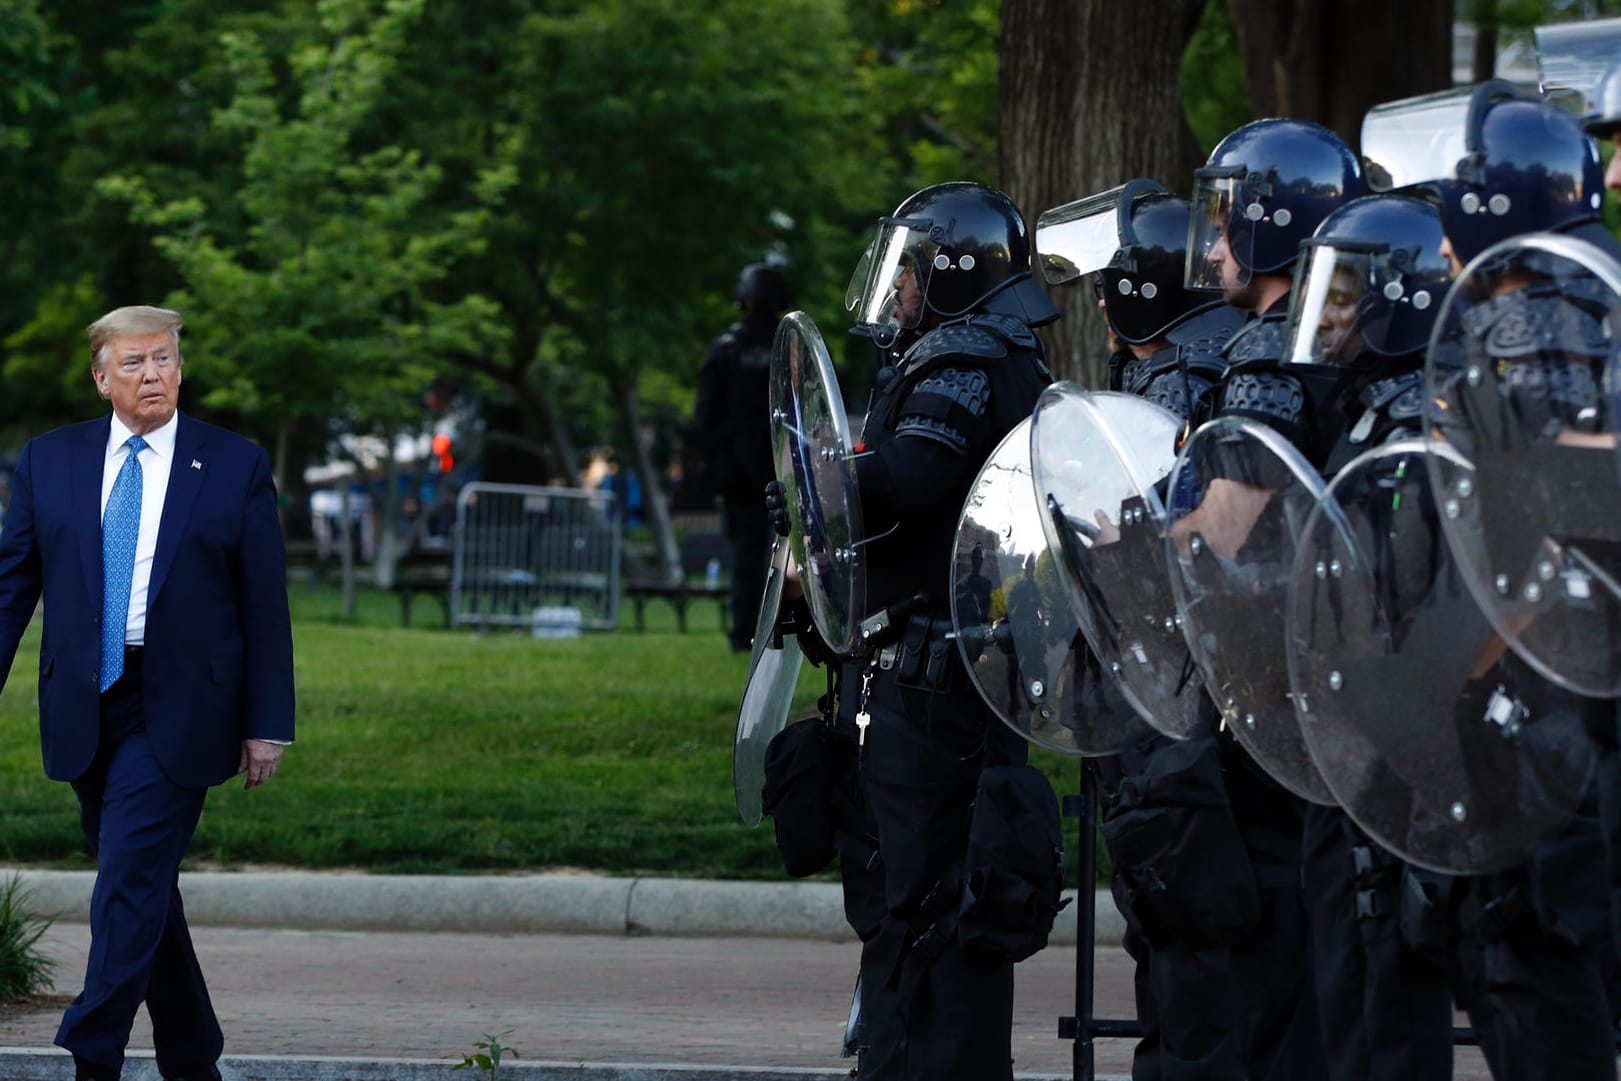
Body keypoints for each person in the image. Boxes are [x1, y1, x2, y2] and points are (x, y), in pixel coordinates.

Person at [1363, 79, 1621, 1081]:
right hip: (1571, 709)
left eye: (1448, 225)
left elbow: (1535, 530)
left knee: (1529, 985)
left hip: (1537, 716)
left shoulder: (1530, 321)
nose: (1436, 255)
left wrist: (1424, 693)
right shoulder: (1594, 301)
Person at [786, 180, 1059, 1081]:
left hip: (938, 683)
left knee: (925, 904)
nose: (896, 289)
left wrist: (817, 479)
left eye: (908, 269)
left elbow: (909, 478)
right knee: (943, 905)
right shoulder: (998, 354)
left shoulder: (963, 361)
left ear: (948, 272)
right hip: (961, 671)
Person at [0, 305, 296, 1081]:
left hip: (184, 707)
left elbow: (265, 605)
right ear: (102, 378)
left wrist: (267, 724)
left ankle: (91, 1050)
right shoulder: (47, 461)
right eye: (133, 363)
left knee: (126, 877)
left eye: (163, 359)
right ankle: (193, 1055)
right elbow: (10, 589)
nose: (153, 374)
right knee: (144, 885)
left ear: (180, 367)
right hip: (86, 701)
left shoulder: (232, 464)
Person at [1035, 177, 1252, 1081]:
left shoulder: (1178, 381)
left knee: (1183, 934)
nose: (1097, 301)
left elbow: (1159, 544)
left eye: (1105, 283)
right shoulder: (1194, 364)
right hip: (1189, 697)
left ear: (1142, 287)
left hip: (1176, 704)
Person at [1279, 194, 1458, 1081]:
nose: (1326, 322)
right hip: (1339, 750)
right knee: (1344, 997)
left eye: (1342, 301)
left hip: (1389, 757)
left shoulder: (1417, 425)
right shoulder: (1359, 410)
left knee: (1383, 1006)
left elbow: (1414, 599)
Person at [694, 262, 792, 651]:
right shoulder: (789, 345)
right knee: (793, 555)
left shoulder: (726, 349)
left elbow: (705, 417)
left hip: (739, 471)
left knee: (747, 558)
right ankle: (783, 630)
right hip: (784, 465)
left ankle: (744, 633)